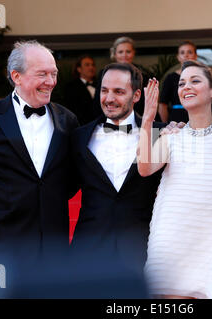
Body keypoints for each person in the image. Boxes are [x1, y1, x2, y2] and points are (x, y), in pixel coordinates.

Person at [0, 40, 79, 297]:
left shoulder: (68, 120)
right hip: (0, 254)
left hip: (52, 254)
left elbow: (72, 181)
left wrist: (154, 131)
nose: (51, 81)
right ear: (16, 76)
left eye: (54, 73)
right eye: (42, 74)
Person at [138, 61, 212, 299]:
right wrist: (148, 119)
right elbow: (145, 167)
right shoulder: (172, 135)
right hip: (172, 231)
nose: (186, 86)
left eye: (195, 81)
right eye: (182, 83)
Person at [70, 62, 166, 278]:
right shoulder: (78, 137)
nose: (109, 98)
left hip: (142, 251)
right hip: (87, 253)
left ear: (137, 95)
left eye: (119, 92)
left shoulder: (161, 135)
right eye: (104, 90)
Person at [94, 36, 152, 118]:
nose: (124, 55)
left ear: (133, 53)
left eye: (128, 51)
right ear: (115, 54)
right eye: (120, 52)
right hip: (109, 120)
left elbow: (146, 102)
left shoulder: (143, 75)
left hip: (137, 121)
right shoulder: (104, 73)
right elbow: (97, 102)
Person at [158, 40, 198, 124]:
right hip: (176, 119)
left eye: (189, 52)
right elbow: (162, 105)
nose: (186, 55)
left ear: (195, 55)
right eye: (182, 53)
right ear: (178, 57)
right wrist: (166, 125)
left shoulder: (201, 77)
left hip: (198, 116)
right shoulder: (171, 78)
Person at [63, 55, 102, 126]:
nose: (91, 67)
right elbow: (72, 110)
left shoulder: (101, 85)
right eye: (87, 65)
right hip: (82, 126)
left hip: (102, 125)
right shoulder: (71, 87)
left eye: (93, 65)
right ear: (79, 69)